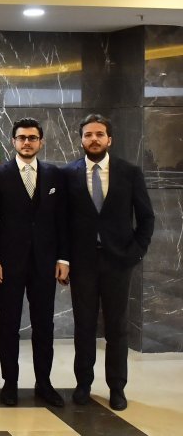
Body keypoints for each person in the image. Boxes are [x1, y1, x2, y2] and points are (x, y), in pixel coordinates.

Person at [63, 114, 154, 411]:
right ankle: (83, 384)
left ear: (109, 139)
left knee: (117, 327)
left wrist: (135, 253)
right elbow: (60, 221)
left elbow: (146, 218)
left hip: (118, 262)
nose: (94, 139)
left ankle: (117, 387)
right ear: (81, 140)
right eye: (88, 134)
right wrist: (64, 259)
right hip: (82, 264)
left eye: (99, 134)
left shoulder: (130, 173)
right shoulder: (68, 174)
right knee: (84, 326)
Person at [0, 117, 67, 407]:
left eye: (32, 138)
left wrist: (63, 258)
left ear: (41, 142)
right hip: (8, 263)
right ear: (13, 141)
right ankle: (10, 382)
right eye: (21, 138)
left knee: (44, 324)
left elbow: (62, 221)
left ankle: (44, 383)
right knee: (8, 323)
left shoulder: (55, 175)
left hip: (45, 263)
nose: (27, 142)